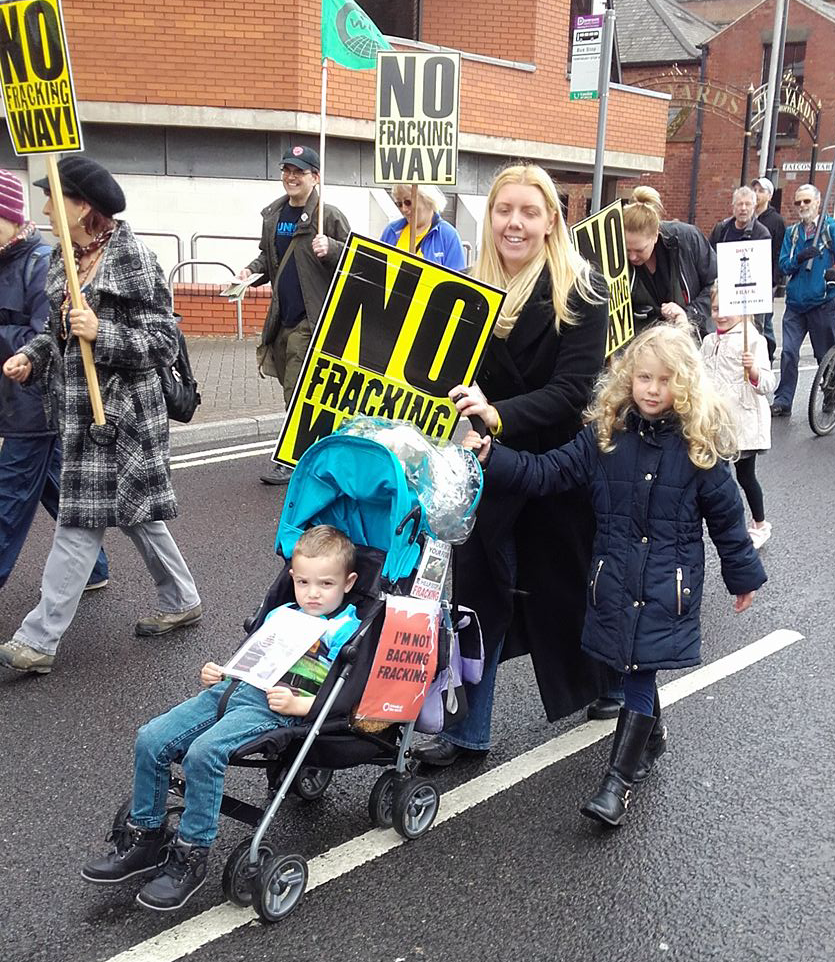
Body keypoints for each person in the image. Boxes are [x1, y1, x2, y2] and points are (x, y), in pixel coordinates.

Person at [463, 324, 767, 826]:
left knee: (639, 671)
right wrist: (493, 456)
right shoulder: (605, 436)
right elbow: (545, 473)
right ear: (627, 379)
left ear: (685, 384)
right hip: (613, 578)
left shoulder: (698, 446)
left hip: (666, 585)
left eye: (664, 380)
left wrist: (743, 575)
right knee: (630, 667)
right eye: (643, 377)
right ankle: (653, 735)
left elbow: (728, 517)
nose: (652, 389)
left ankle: (615, 785)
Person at [412, 163, 610, 768]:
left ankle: (599, 686)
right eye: (504, 210)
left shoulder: (583, 290)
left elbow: (575, 390)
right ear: (489, 217)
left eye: (529, 211)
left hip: (555, 466)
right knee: (479, 596)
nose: (515, 223)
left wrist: (497, 413)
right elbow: (440, 374)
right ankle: (467, 731)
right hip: (488, 467)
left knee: (563, 586)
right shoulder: (467, 289)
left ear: (552, 220)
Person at [80, 525, 360, 912]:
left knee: (203, 753)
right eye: (304, 582)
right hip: (230, 690)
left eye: (325, 584)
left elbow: (347, 690)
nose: (313, 593)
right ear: (292, 578)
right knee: (151, 738)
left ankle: (191, 855)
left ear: (348, 583)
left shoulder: (345, 629)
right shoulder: (281, 612)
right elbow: (255, 655)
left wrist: (302, 707)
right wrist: (223, 671)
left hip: (274, 706)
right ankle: (145, 835)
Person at [0, 157, 201, 676]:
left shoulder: (134, 258)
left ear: (83, 206)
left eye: (54, 198)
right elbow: (57, 333)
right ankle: (182, 599)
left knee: (77, 523)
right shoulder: (63, 261)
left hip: (123, 420)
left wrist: (102, 334)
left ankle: (38, 640)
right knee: (138, 516)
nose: (44, 208)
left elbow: (161, 343)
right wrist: (35, 356)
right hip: (80, 415)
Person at [0, 167, 109, 592]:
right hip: (14, 402)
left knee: (8, 500)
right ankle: (94, 567)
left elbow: (48, 337)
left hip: (36, 403)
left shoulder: (40, 263)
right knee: (56, 488)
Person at [236, 146, 351, 485]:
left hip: (311, 319)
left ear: (315, 177)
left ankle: (294, 458)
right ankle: (323, 450)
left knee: (295, 389)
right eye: (287, 169)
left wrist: (331, 250)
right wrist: (249, 273)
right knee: (297, 389)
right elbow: (267, 260)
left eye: (299, 171)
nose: (291, 176)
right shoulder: (274, 215)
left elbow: (356, 262)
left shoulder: (328, 217)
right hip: (282, 317)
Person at [702, 283, 776, 550]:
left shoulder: (753, 339)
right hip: (716, 423)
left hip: (743, 423)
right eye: (716, 308)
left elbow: (768, 384)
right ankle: (730, 527)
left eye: (728, 309)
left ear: (743, 311)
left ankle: (759, 524)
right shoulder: (709, 341)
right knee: (718, 478)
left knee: (745, 477)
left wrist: (754, 370)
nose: (721, 315)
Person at [771, 183, 835, 417]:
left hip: (822, 302)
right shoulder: (793, 233)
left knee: (824, 354)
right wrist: (799, 257)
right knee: (788, 352)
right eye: (798, 202)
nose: (802, 206)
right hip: (796, 304)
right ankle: (783, 400)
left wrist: (832, 272)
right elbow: (784, 265)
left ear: (818, 202)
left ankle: (830, 394)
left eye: (807, 201)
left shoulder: (830, 229)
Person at [624, 185, 716, 337]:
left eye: (640, 250)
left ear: (655, 235)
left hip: (693, 339)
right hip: (647, 344)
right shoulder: (617, 255)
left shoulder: (687, 239)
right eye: (627, 250)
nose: (632, 257)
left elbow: (716, 284)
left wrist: (689, 314)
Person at [708, 185, 775, 361]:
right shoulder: (721, 229)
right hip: (724, 290)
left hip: (749, 290)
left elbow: (763, 266)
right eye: (739, 204)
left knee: (752, 332)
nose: (743, 208)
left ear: (754, 207)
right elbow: (710, 257)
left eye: (747, 204)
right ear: (733, 206)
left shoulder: (762, 233)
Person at [380, 184, 466, 269]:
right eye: (399, 204)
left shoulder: (448, 236)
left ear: (427, 199)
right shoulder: (391, 231)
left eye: (408, 202)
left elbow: (458, 279)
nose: (404, 209)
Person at [751, 176, 786, 362]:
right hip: (749, 274)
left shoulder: (775, 220)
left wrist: (774, 280)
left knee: (764, 320)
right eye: (754, 190)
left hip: (765, 278)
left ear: (769, 196)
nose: (756, 194)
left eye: (761, 191)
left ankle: (768, 353)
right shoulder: (748, 217)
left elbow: (778, 251)